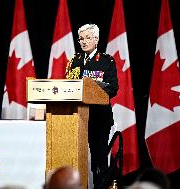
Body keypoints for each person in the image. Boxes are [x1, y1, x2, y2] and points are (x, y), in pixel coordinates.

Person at [65, 24, 119, 189]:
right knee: (77, 156)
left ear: (96, 39)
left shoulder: (106, 61)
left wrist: (95, 87)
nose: (84, 41)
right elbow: (69, 86)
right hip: (79, 118)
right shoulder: (74, 60)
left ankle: (101, 186)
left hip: (99, 119)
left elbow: (113, 88)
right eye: (81, 38)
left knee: (98, 159)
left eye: (88, 38)